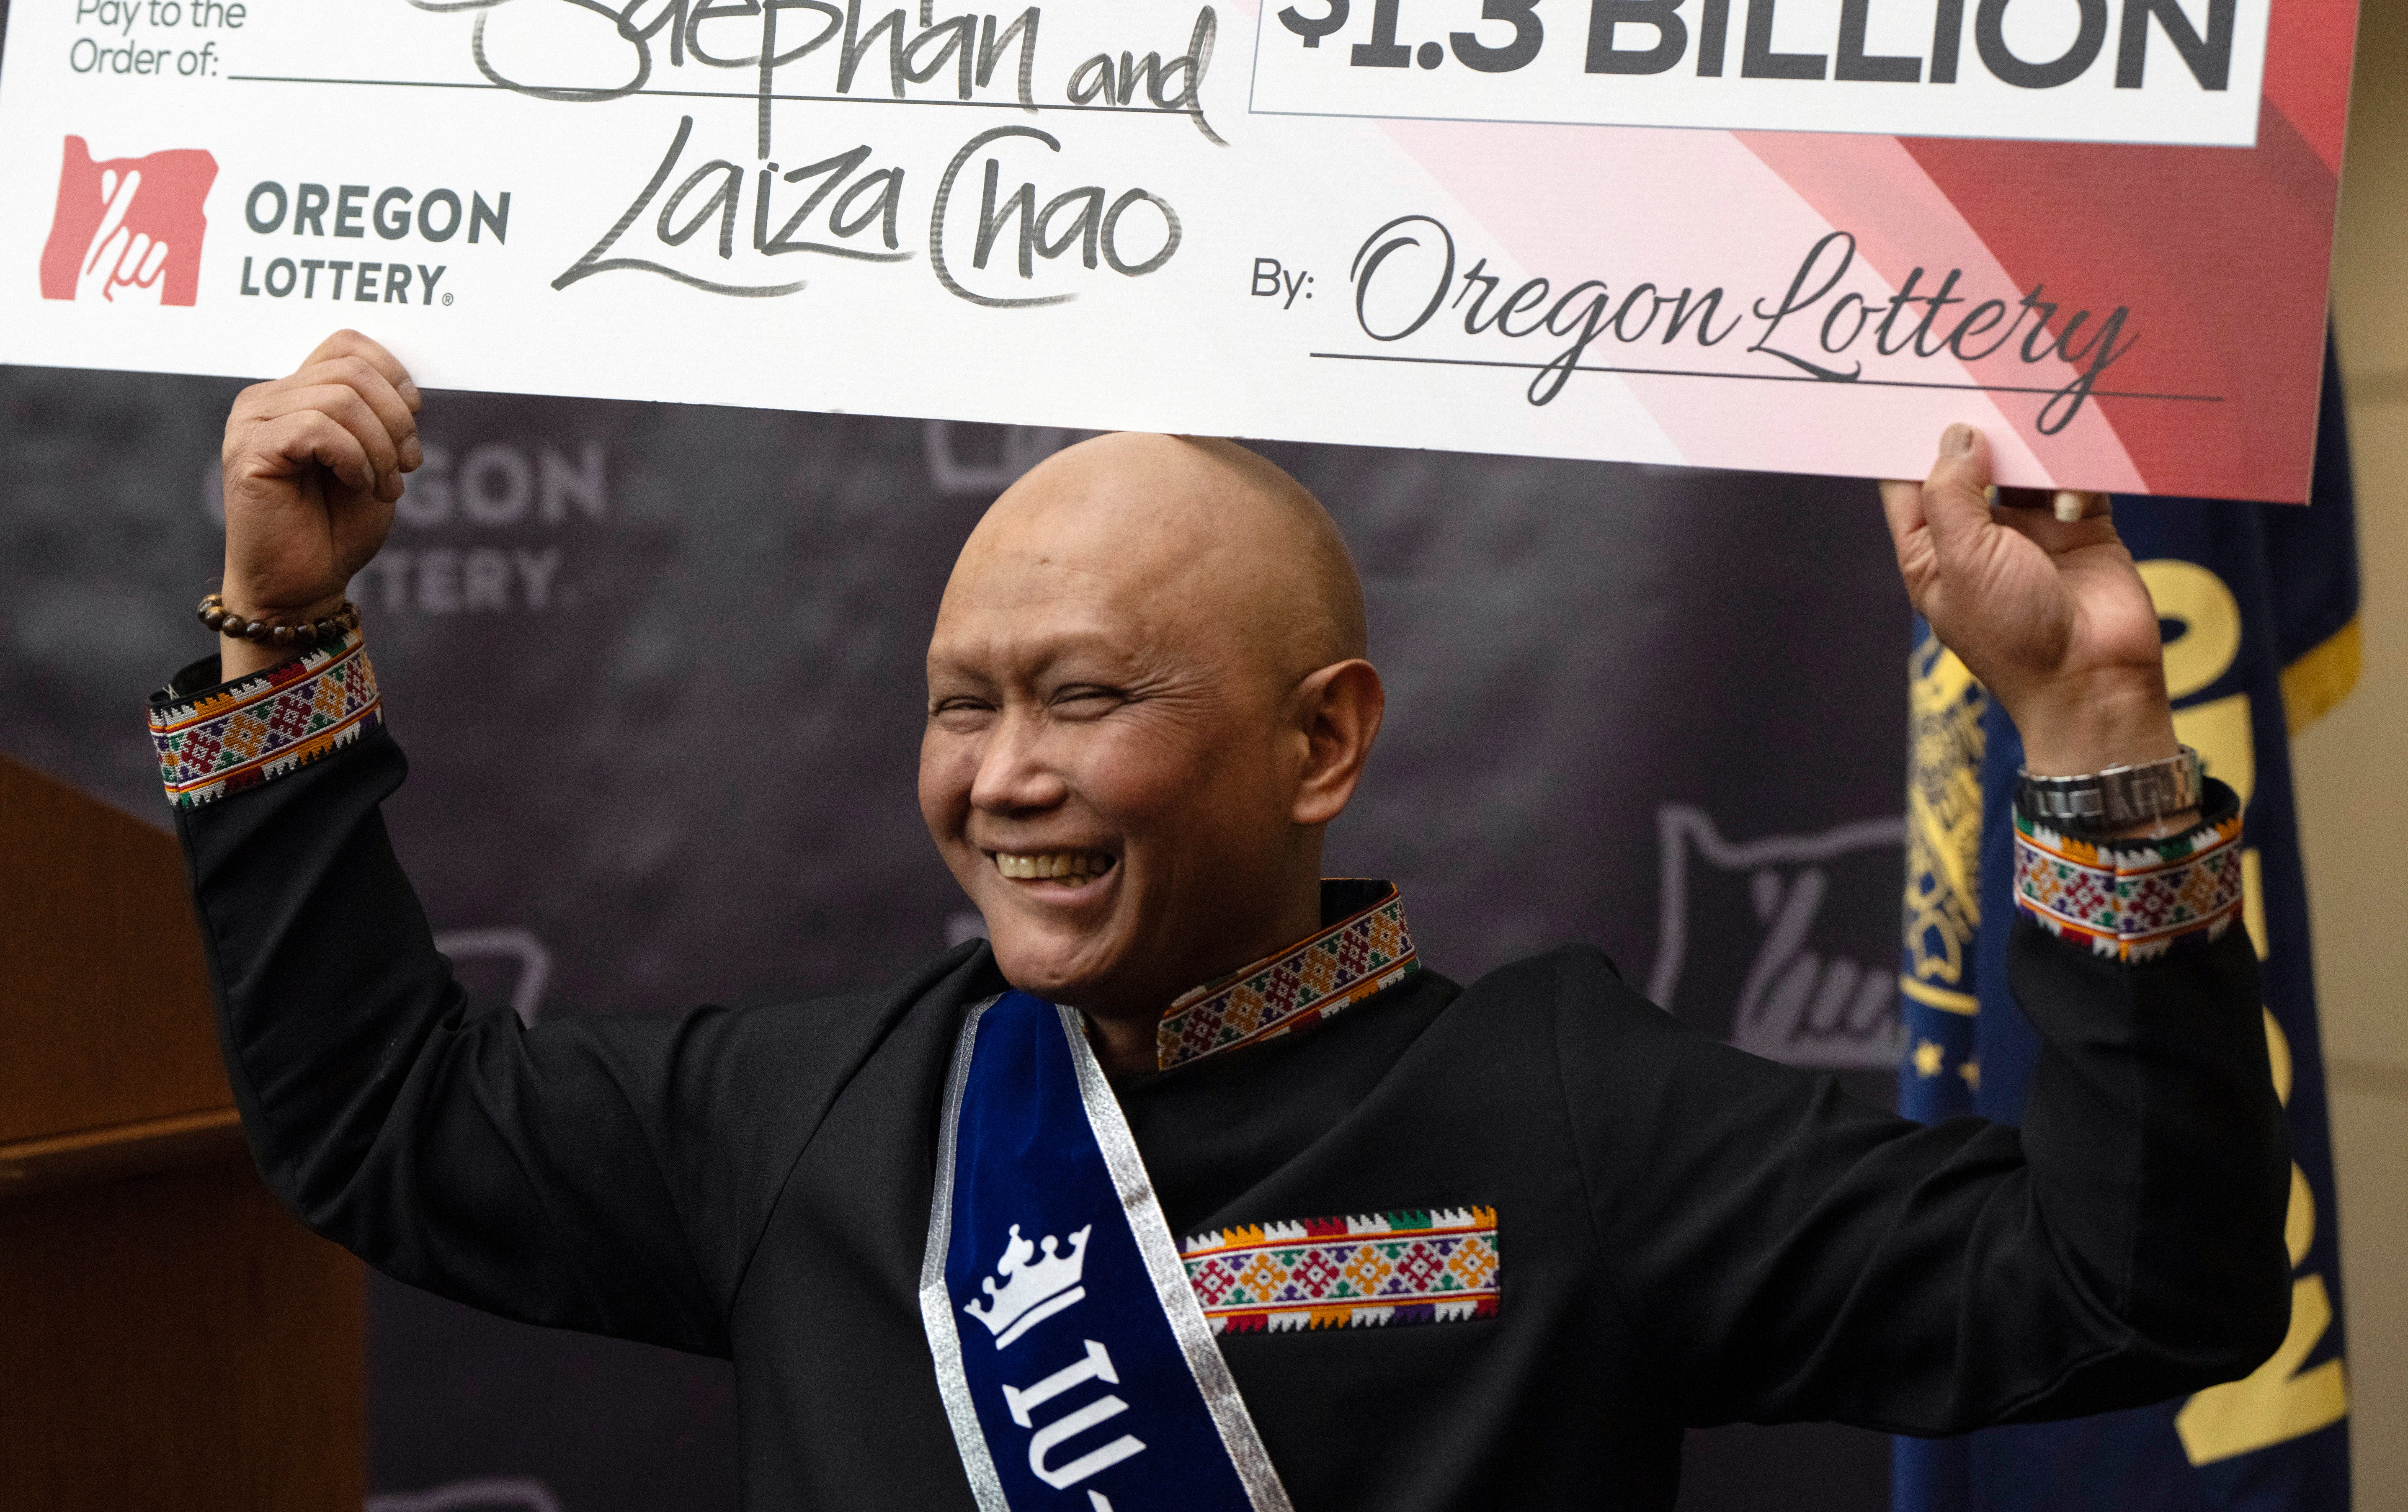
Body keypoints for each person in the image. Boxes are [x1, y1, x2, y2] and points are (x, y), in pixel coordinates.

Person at [150, 330, 2287, 1511]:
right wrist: (284, 624)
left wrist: (2093, 719)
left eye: (1084, 698)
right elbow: (372, 1113)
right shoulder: (818, 1112)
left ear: (1322, 741)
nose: (1005, 776)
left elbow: (2129, 1297)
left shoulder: (1571, 1113)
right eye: (962, 707)